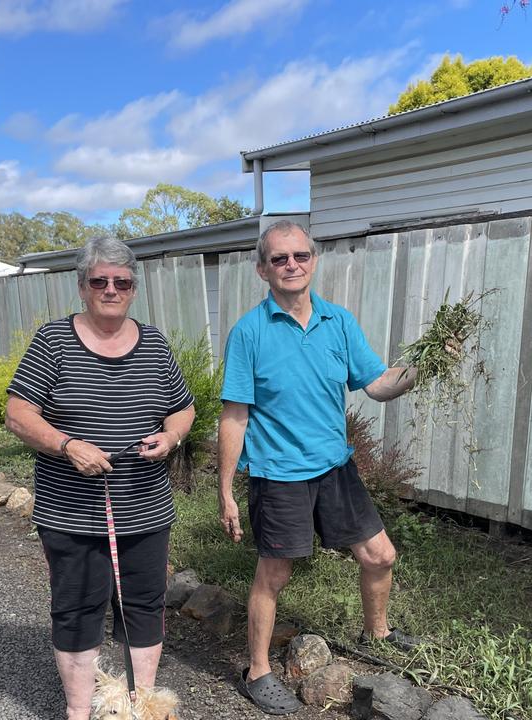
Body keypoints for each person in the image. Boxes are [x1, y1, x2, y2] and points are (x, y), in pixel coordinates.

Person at [217, 220, 420, 715]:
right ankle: (258, 671)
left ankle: (377, 632)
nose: (291, 265)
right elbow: (234, 415)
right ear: (262, 268)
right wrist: (225, 489)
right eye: (280, 258)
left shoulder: (339, 322)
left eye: (300, 256)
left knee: (379, 555)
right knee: (275, 572)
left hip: (334, 467)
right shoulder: (250, 331)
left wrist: (422, 368)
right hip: (278, 471)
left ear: (314, 260)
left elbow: (377, 384)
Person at [5, 236, 195, 720]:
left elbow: (183, 408)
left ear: (134, 288)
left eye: (122, 281)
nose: (111, 289)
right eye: (100, 281)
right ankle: (79, 711)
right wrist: (68, 446)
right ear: (82, 287)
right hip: (70, 510)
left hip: (146, 507)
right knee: (77, 609)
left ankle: (138, 706)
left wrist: (170, 439)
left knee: (144, 607)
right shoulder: (53, 341)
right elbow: (18, 414)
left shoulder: (153, 342)